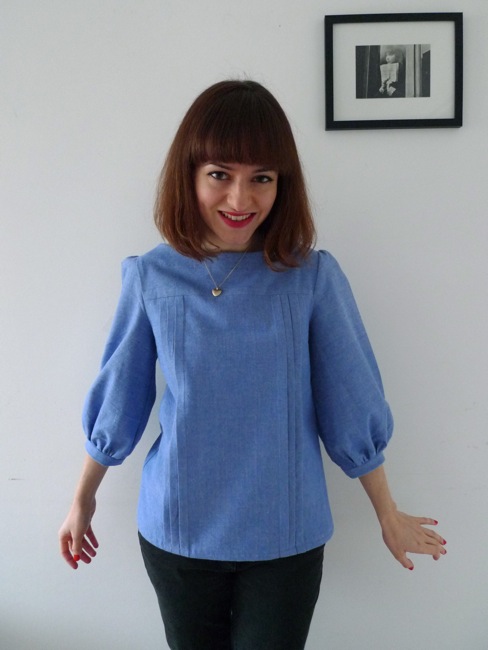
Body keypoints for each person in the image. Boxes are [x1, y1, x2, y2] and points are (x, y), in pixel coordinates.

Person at [59, 80, 446, 649]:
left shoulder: (311, 278)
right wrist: (82, 497)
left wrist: (387, 512)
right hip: (178, 533)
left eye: (261, 177)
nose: (240, 199)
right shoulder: (151, 277)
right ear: (189, 175)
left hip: (285, 538)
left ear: (282, 184)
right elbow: (121, 397)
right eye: (220, 174)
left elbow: (351, 399)